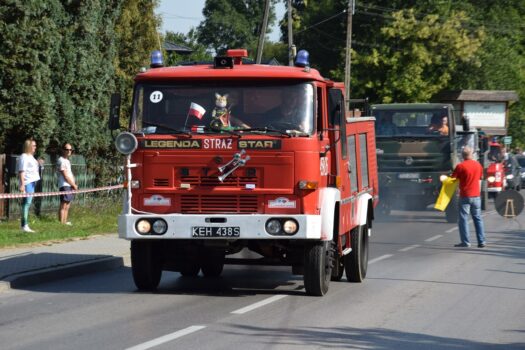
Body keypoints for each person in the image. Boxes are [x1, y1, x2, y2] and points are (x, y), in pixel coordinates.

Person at [451, 146, 486, 248]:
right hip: (476, 196)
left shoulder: (460, 166)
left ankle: (466, 242)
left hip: (465, 196)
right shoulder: (478, 165)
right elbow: (481, 177)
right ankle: (481, 241)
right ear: (472, 154)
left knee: (463, 219)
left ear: (462, 155)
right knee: (478, 218)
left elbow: (452, 179)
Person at [18, 139, 43, 232]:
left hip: (32, 182)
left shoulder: (31, 157)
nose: (35, 147)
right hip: (27, 183)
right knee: (26, 203)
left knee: (28, 203)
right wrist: (22, 185)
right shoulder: (24, 157)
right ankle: (24, 225)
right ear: (28, 146)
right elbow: (21, 171)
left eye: (35, 145)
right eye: (33, 145)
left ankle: (24, 225)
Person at [57, 143, 78, 225]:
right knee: (64, 204)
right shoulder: (61, 160)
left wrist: (73, 183)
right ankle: (62, 223)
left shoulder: (67, 161)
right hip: (65, 185)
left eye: (70, 149)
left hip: (69, 185)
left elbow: (69, 174)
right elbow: (65, 175)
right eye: (67, 149)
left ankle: (65, 221)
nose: (69, 151)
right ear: (63, 150)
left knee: (68, 204)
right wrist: (73, 184)